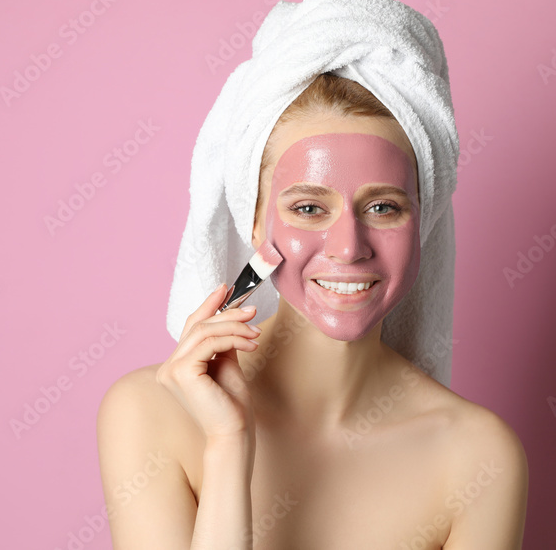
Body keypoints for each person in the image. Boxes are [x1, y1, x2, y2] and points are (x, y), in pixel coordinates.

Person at [97, 70, 528, 549]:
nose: (347, 249)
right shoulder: (149, 413)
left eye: (383, 207)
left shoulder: (480, 459)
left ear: (421, 224)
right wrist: (229, 446)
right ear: (256, 224)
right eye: (308, 208)